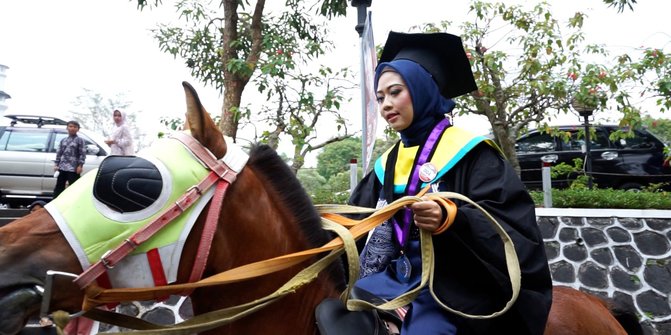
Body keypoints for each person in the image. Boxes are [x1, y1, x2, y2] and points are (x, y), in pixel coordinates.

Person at [348, 32, 552, 335]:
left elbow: (513, 226)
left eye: (395, 92)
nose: (386, 105)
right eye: (380, 97)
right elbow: (357, 219)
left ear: (421, 90)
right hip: (397, 276)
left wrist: (453, 218)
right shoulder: (387, 163)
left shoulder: (473, 154)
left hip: (455, 281)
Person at [53, 120, 86, 198]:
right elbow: (59, 153)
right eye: (70, 126)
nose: (72, 128)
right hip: (62, 167)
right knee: (59, 187)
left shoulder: (80, 140)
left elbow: (82, 153)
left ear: (78, 129)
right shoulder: (63, 140)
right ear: (67, 128)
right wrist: (56, 164)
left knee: (75, 187)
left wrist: (80, 166)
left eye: (75, 127)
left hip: (73, 168)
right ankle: (55, 202)